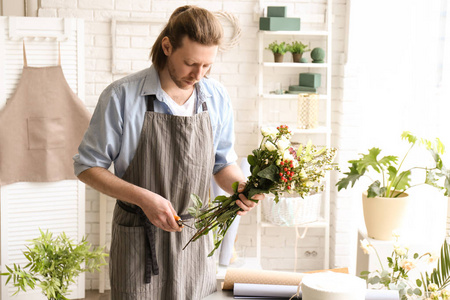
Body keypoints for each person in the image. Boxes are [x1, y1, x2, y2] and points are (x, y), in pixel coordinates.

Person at [73, 5, 263, 300]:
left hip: (194, 239)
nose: (198, 75)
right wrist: (144, 198)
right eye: (190, 63)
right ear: (167, 46)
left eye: (207, 66)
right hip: (139, 238)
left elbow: (222, 162)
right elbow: (87, 168)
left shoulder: (216, 97)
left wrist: (239, 186)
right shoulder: (121, 96)